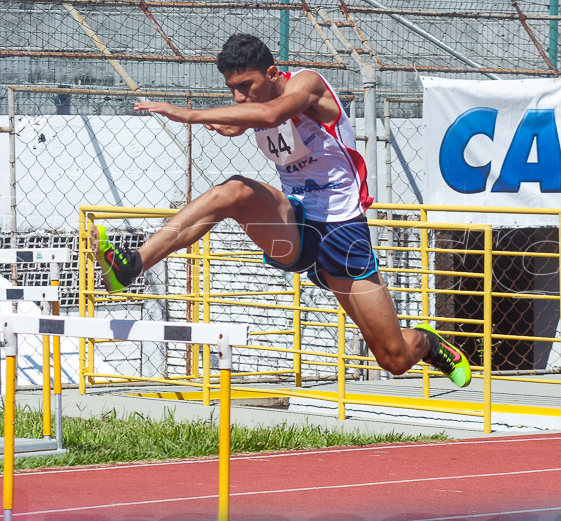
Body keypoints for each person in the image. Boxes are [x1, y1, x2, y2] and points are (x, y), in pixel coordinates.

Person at [91, 34, 471, 387]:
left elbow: (273, 115)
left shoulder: (307, 85)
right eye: (232, 90)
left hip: (342, 230)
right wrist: (227, 124)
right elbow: (249, 122)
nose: (240, 98)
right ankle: (132, 264)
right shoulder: (256, 105)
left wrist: (190, 114)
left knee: (394, 358)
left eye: (246, 87)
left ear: (273, 73)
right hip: (295, 222)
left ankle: (428, 342)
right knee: (234, 191)